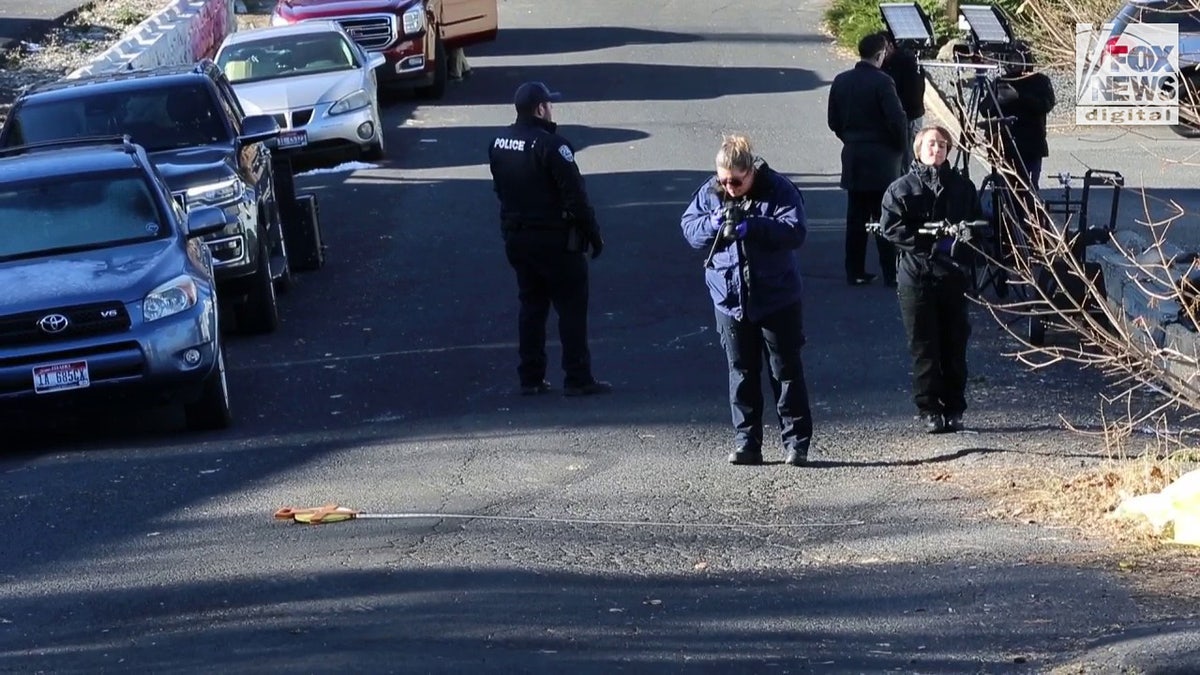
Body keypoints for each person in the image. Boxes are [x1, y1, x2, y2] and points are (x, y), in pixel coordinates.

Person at [680, 134, 813, 467]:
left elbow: (795, 231)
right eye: (723, 181)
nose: (729, 188)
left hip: (776, 296)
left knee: (785, 372)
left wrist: (753, 227)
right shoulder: (711, 192)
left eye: (736, 181)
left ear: (751, 171)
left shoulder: (779, 189)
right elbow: (689, 229)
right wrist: (713, 224)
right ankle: (747, 443)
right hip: (729, 298)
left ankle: (796, 443)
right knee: (741, 373)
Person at [487, 81, 611, 397]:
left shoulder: (498, 143)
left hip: (518, 239)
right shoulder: (553, 146)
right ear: (541, 108)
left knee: (531, 306)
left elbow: (500, 190)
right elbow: (576, 197)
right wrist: (593, 235)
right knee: (571, 308)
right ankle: (577, 377)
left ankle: (530, 377)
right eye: (549, 104)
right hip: (555, 242)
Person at [879, 125, 981, 434]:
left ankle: (954, 408)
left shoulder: (963, 187)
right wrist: (927, 241)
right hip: (916, 277)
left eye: (942, 145)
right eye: (931, 145)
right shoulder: (901, 188)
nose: (936, 150)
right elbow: (890, 228)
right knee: (924, 347)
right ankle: (928, 409)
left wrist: (963, 239)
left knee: (954, 344)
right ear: (918, 149)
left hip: (952, 276)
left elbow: (980, 226)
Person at [828, 32, 908, 287]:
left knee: (856, 217)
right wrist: (901, 149)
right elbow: (897, 119)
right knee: (885, 215)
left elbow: (834, 121)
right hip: (883, 158)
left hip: (854, 154)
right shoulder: (883, 82)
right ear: (880, 54)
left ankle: (855, 270)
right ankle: (890, 273)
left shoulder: (841, 81)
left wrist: (850, 138)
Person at [985, 43, 1055, 191]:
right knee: (1007, 187)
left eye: (1017, 58)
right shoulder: (1000, 82)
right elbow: (984, 110)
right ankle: (1007, 211)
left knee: (1029, 186)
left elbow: (1046, 105)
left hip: (1031, 143)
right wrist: (995, 100)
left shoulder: (1039, 81)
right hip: (1006, 144)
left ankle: (1029, 212)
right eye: (1010, 59)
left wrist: (1020, 97)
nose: (1013, 63)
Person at [880, 32, 926, 167]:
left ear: (890, 46)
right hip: (896, 117)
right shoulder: (885, 65)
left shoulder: (907, 63)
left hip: (910, 116)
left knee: (908, 158)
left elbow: (914, 96)